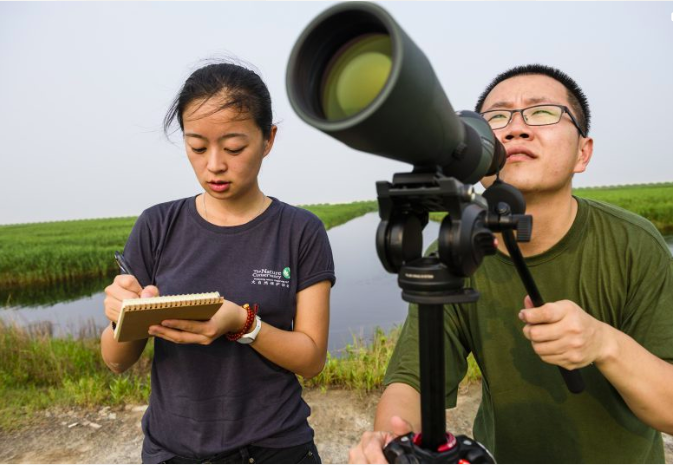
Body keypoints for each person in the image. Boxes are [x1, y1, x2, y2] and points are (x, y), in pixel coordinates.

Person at [349, 64, 673, 463]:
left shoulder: (632, 242)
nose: (516, 129)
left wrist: (603, 343)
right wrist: (390, 439)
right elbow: (412, 382)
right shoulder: (457, 247)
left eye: (542, 112)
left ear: (582, 153)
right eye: (496, 118)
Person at [100, 61, 335, 464]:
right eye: (197, 147)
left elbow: (311, 359)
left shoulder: (301, 231)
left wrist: (243, 324)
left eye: (233, 147)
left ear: (268, 139)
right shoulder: (157, 225)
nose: (214, 165)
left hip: (277, 446)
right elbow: (116, 361)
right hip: (176, 450)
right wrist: (126, 314)